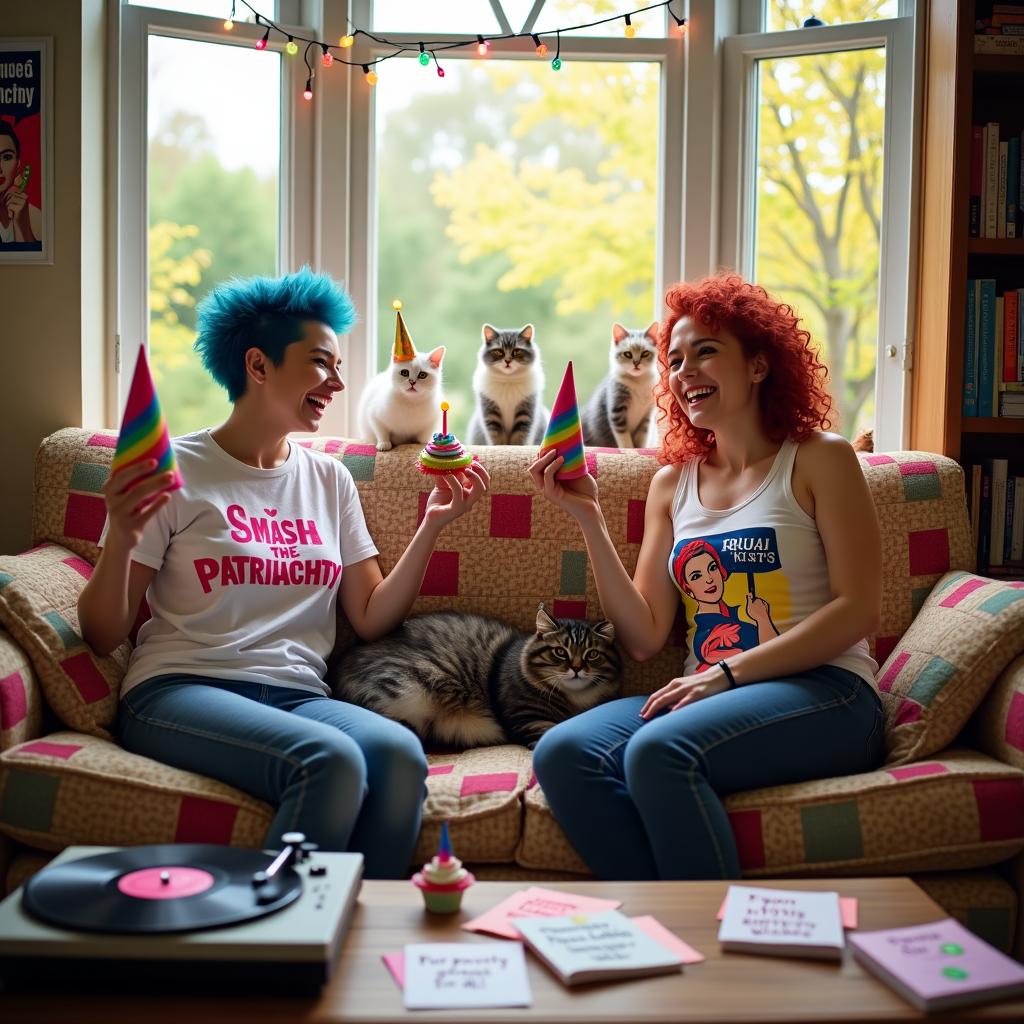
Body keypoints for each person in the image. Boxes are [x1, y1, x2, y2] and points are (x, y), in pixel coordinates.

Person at [78, 268, 489, 879]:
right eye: (321, 362)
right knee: (330, 762)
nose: (339, 382)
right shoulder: (176, 471)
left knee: (399, 754)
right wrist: (123, 535)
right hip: (183, 688)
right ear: (259, 366)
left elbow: (372, 616)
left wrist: (433, 524)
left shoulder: (329, 479)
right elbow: (102, 633)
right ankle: (277, 948)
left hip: (298, 694)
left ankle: (358, 930)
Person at [527, 274, 884, 881]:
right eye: (674, 360)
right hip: (707, 689)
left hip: (829, 691)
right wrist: (586, 517)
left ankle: (701, 945)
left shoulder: (822, 457)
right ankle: (666, 932)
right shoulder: (672, 484)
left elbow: (858, 610)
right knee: (563, 753)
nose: (683, 370)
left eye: (706, 351)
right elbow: (642, 636)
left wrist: (724, 676)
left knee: (660, 751)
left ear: (760, 365)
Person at [0, 120, 42, 245]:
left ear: (17, 164)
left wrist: (22, 226)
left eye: (6, 157)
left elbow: (35, 261)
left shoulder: (34, 215)